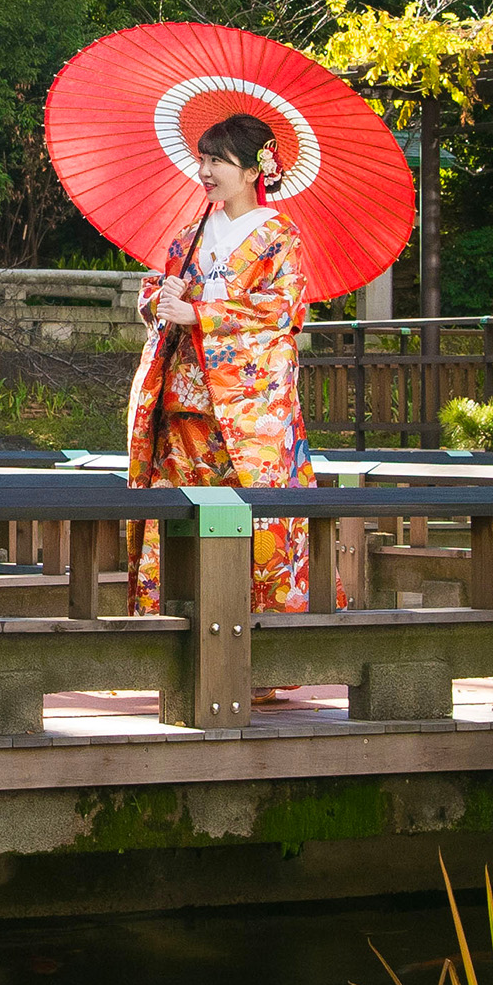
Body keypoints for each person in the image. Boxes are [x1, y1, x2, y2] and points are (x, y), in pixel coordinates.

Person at [125, 109, 312, 615]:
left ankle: (260, 655)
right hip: (181, 409)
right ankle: (168, 639)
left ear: (255, 170)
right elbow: (158, 299)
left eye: (218, 161)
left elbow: (282, 310)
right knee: (174, 521)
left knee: (255, 528)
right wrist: (160, 299)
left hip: (249, 417)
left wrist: (201, 312)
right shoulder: (188, 237)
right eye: (203, 159)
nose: (205, 171)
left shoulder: (280, 236)